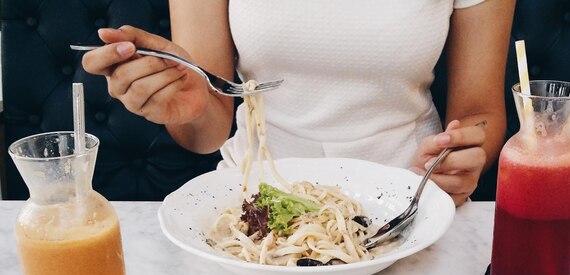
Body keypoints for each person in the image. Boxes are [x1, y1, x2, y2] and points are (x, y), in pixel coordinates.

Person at [82, 0, 515, 206]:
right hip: (257, 203)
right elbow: (206, 131)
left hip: (410, 198)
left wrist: (460, 156)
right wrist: (189, 103)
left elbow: (480, 112)